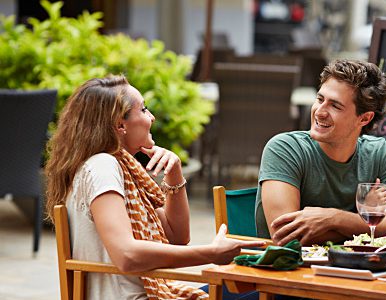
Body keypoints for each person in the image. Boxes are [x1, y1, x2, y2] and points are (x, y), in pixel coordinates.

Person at [45, 75, 264, 300]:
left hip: (143, 293)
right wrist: (211, 253)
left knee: (254, 290)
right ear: (120, 124)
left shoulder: (124, 169)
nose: (152, 117)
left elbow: (177, 235)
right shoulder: (103, 166)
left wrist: (174, 172)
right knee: (267, 293)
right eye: (144, 110)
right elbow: (126, 255)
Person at [255, 59, 386, 246]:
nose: (319, 112)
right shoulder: (284, 149)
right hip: (290, 270)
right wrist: (366, 217)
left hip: (358, 270)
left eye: (335, 106)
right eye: (320, 99)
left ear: (364, 118)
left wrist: (333, 218)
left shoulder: (378, 152)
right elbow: (287, 235)